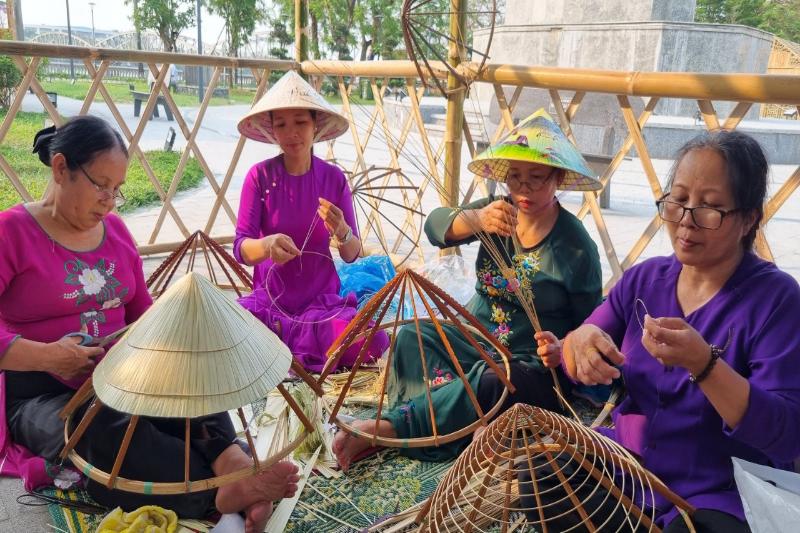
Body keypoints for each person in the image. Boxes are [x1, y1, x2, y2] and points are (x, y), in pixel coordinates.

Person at [0, 116, 299, 532]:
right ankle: (219, 491)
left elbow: (143, 309)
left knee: (192, 370)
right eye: (100, 184)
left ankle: (232, 461)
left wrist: (181, 343)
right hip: (45, 394)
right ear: (61, 168)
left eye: (117, 189)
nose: (109, 199)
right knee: (102, 432)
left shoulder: (116, 232)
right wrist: (50, 356)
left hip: (124, 373)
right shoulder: (11, 232)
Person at [334, 109, 604, 468]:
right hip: (474, 338)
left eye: (537, 177)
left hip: (528, 366)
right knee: (412, 338)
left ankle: (393, 429)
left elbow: (591, 326)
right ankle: (450, 426)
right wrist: (475, 220)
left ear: (559, 180)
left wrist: (562, 348)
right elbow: (434, 227)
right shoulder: (496, 211)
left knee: (495, 384)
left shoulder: (575, 246)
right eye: (515, 176)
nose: (523, 188)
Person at [562, 130, 800, 532]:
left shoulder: (777, 301)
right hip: (631, 468)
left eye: (710, 208)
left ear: (748, 219)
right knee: (539, 470)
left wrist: (705, 365)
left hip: (720, 488)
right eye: (679, 199)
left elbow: (785, 435)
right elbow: (581, 346)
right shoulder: (644, 280)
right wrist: (579, 341)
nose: (686, 221)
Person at [234, 70, 389, 373]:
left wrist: (342, 231)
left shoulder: (333, 179)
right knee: (226, 329)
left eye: (300, 122)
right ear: (272, 131)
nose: (291, 133)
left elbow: (352, 253)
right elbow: (241, 249)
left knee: (374, 339)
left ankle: (286, 349)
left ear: (315, 126)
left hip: (320, 306)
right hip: (271, 304)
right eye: (282, 124)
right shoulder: (259, 177)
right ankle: (282, 344)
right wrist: (267, 246)